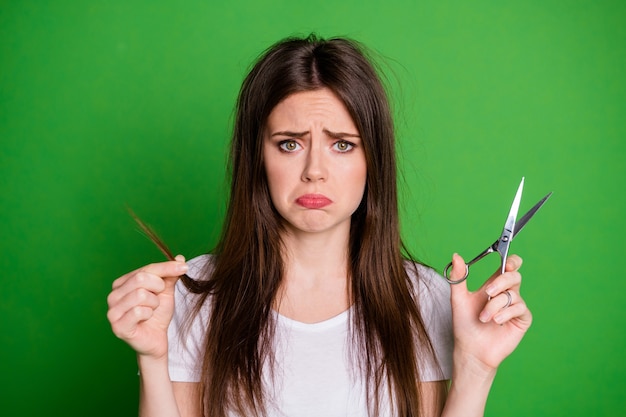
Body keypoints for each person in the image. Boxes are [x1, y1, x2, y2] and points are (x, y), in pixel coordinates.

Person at [107, 34, 532, 417]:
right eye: (289, 144)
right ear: (258, 157)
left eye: (342, 145)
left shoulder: (425, 301)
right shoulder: (193, 296)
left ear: (373, 160)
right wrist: (152, 358)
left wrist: (476, 368)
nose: (314, 170)